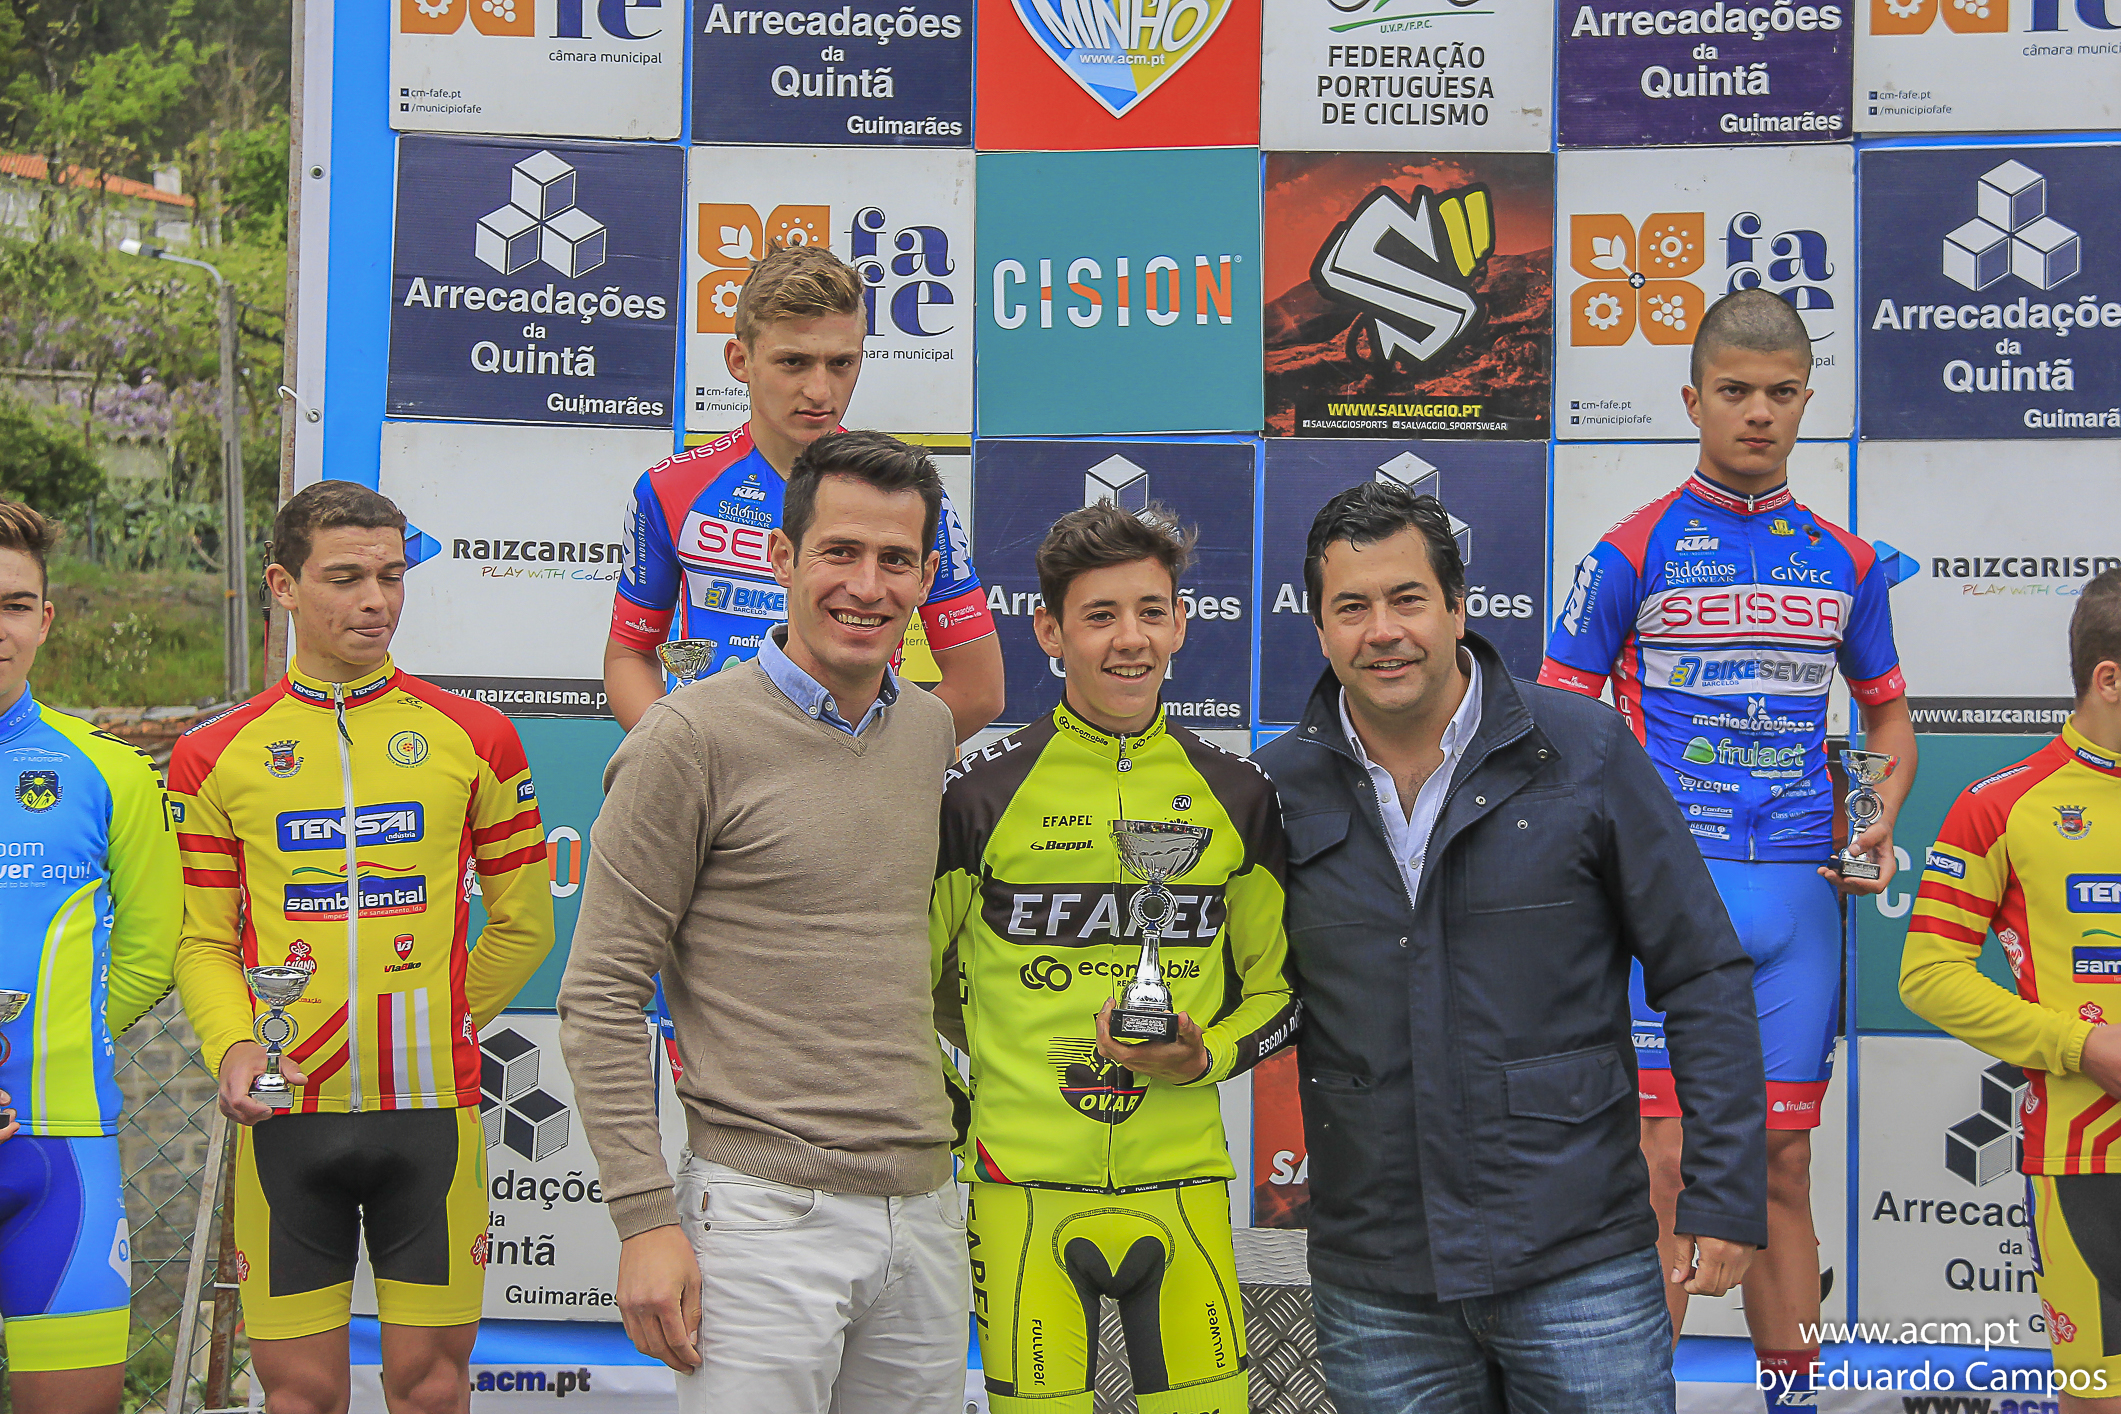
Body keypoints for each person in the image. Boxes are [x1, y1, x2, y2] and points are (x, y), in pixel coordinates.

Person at [1252, 481, 1766, 1413]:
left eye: (1407, 598)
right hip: (1377, 1283)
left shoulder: (1582, 748)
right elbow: (1239, 991)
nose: (1383, 631)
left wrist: (1725, 1192)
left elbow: (1702, 972)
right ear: (1319, 628)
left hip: (1580, 1263)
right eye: (1351, 607)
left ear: (1457, 607)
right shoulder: (1274, 788)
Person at [1538, 288, 1918, 1407]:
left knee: (1781, 1167)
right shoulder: (1630, 547)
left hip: (1798, 895)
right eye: (1736, 392)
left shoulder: (1847, 561)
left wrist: (1875, 810)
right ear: (1693, 399)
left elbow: (1887, 716)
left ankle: (1794, 1398)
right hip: (1670, 893)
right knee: (1662, 1160)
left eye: (1781, 393)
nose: (1759, 413)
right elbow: (1558, 720)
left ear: (1806, 402)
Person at [560, 431, 968, 1414]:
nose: (866, 585)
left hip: (924, 1214)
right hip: (760, 1218)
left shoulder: (928, 731)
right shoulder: (688, 737)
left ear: (926, 579)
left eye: (896, 560)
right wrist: (644, 1220)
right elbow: (601, 993)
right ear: (781, 559)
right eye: (840, 552)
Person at [170, 481, 555, 1414]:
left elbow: (524, 924)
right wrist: (237, 1043)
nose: (375, 601)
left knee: (430, 1388)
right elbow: (204, 940)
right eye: (345, 578)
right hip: (288, 1112)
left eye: (391, 576)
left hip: (430, 1111)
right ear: (283, 586)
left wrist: (439, 1022)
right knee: (299, 1397)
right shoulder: (214, 754)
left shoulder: (476, 736)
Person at [931, 501, 1299, 1414]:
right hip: (1019, 1189)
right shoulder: (978, 796)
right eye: (1099, 616)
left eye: (1149, 612)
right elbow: (898, 988)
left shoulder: (1237, 795)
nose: (1128, 639)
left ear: (1180, 624)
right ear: (1049, 632)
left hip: (1183, 1182)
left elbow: (1283, 992)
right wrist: (963, 1116)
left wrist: (1204, 1056)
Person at [604, 241, 1001, 739]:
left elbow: (978, 688)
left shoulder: (907, 496)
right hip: (714, 771)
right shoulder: (671, 487)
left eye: (841, 363)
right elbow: (629, 655)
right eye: (793, 362)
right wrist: (681, 760)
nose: (819, 391)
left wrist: (871, 761)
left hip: (851, 775)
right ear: (740, 361)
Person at [1902, 567, 2121, 1414]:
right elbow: (1928, 976)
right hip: (2089, 1155)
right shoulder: (2002, 804)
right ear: (2108, 678)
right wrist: (2082, 1044)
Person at [0, 500, 181, 1414]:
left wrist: (58, 1039)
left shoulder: (109, 770)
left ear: (44, 619)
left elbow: (152, 948)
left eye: (13, 604)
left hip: (61, 1155)